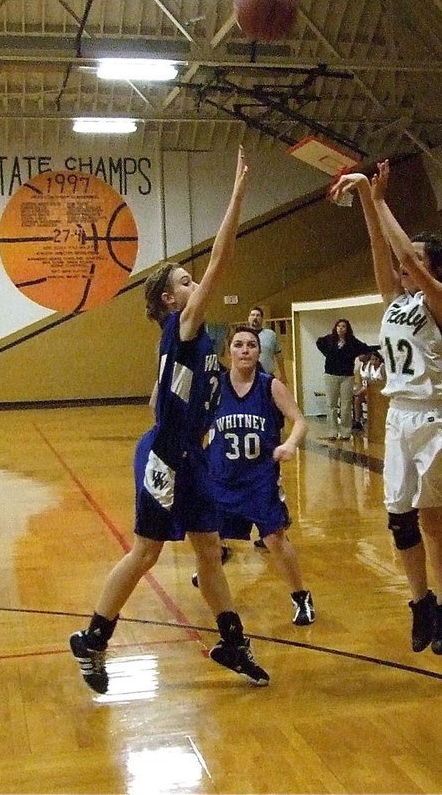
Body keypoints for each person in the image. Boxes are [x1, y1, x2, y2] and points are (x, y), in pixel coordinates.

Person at [69, 147, 270, 692]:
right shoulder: (184, 324)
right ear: (170, 298)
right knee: (147, 552)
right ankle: (92, 638)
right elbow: (223, 258)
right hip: (168, 457)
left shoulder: (187, 340)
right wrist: (237, 196)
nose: (195, 283)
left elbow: (157, 400)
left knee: (208, 550)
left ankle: (232, 643)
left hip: (191, 456)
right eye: (186, 280)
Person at [330, 160, 442, 656]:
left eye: (416, 261)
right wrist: (366, 202)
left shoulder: (438, 300)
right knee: (399, 520)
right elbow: (379, 247)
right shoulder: (394, 301)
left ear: (432, 269)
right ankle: (420, 602)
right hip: (399, 416)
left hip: (433, 418)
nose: (405, 265)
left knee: (430, 518)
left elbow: (402, 250)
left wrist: (378, 196)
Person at [201, 325, 315, 625]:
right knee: (208, 539)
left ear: (258, 352)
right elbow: (198, 425)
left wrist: (290, 444)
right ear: (228, 351)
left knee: (275, 539)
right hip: (222, 478)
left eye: (251, 345)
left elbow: (300, 421)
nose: (245, 350)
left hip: (259, 480)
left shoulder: (270, 386)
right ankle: (217, 583)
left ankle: (301, 596)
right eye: (238, 344)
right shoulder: (215, 387)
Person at [316, 319, 371, 440]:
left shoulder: (352, 342)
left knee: (346, 404)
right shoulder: (329, 339)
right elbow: (318, 342)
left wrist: (357, 356)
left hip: (347, 376)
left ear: (347, 329)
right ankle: (332, 431)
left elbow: (365, 348)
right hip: (331, 375)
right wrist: (327, 354)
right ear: (335, 328)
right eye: (338, 326)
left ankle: (346, 432)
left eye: (343, 326)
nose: (340, 328)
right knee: (331, 404)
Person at [247, 306, 288, 384]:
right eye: (252, 315)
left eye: (258, 315)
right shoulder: (242, 335)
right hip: (248, 377)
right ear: (249, 318)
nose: (255, 317)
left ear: (262, 319)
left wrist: (283, 374)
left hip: (267, 376)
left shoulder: (271, 335)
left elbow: (279, 355)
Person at [352, 347, 384, 430]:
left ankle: (372, 421)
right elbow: (363, 381)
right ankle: (358, 420)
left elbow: (383, 382)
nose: (359, 356)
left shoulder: (381, 368)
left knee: (363, 395)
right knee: (357, 398)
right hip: (368, 390)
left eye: (375, 359)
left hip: (378, 391)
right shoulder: (362, 366)